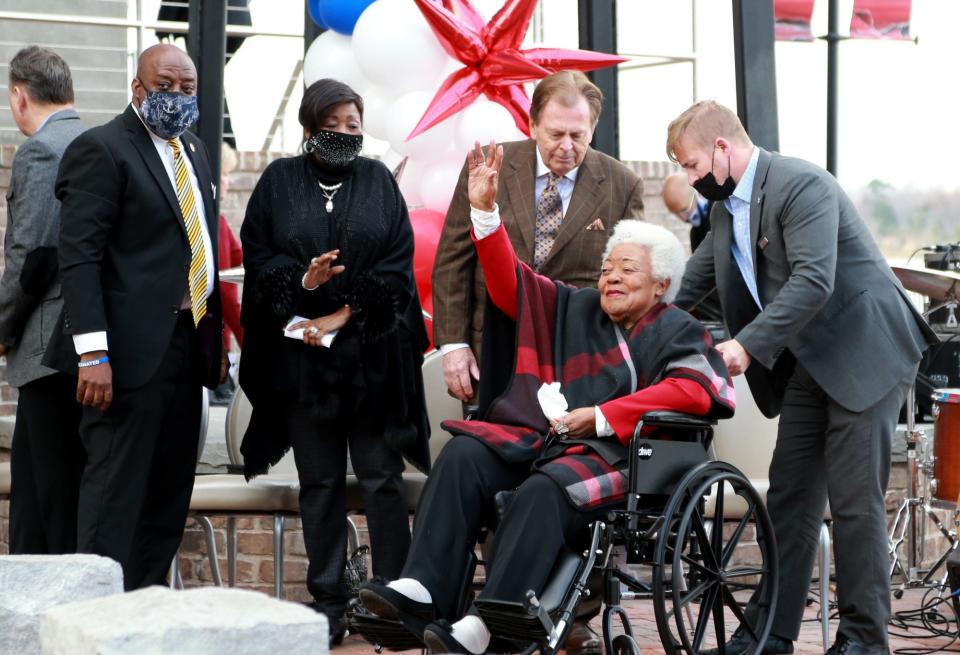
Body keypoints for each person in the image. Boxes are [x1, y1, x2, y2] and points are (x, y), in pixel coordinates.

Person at [358, 141, 735, 655]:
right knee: (466, 454)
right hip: (546, 444)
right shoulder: (577, 308)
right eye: (607, 269)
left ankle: (488, 622)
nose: (611, 278)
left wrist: (603, 417)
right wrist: (486, 213)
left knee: (545, 489)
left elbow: (695, 389)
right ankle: (422, 588)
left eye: (627, 270)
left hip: (625, 459)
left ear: (662, 284)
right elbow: (511, 284)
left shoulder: (681, 329)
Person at [667, 100, 938, 655]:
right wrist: (632, 325)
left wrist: (746, 346)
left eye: (692, 165)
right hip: (811, 362)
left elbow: (814, 281)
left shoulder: (800, 183)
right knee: (790, 495)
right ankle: (770, 634)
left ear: (722, 148)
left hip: (866, 351)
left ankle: (865, 639)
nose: (690, 180)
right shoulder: (722, 213)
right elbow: (684, 292)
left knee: (855, 500)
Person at [238, 78, 430, 645]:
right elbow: (258, 256)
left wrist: (342, 314)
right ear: (309, 126)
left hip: (369, 360)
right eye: (335, 124)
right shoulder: (277, 182)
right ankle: (328, 601)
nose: (347, 134)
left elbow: (398, 265)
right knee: (318, 483)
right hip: (301, 363)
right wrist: (303, 278)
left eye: (355, 125)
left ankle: (393, 597)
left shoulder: (378, 181)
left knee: (381, 478)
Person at [44, 43, 226, 590]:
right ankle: (94, 618)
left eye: (187, 88)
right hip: (121, 356)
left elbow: (198, 247)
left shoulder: (192, 149)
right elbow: (79, 258)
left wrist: (214, 346)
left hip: (184, 346)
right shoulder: (101, 149)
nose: (176, 97)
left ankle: (143, 612)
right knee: (114, 497)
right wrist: (92, 352)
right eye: (164, 85)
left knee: (167, 496)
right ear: (137, 88)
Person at [433, 70, 646, 411]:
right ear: (532, 125)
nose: (566, 146)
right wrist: (453, 344)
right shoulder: (487, 168)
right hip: (492, 348)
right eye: (555, 133)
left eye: (578, 135)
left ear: (592, 129)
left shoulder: (622, 185)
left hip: (577, 356)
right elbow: (453, 260)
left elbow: (632, 278)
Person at [1, 46, 85, 555]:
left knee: (42, 499)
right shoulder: (99, 142)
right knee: (54, 491)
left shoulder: (41, 151)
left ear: (18, 95)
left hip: (47, 351)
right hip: (92, 347)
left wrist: (2, 329)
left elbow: (29, 258)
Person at [218, 141, 243, 351]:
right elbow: (226, 292)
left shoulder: (221, 222)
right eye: (225, 174)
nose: (229, 182)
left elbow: (242, 260)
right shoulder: (216, 223)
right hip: (211, 341)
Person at [662, 172, 711, 252]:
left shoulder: (723, 213)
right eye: (677, 214)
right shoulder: (695, 234)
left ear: (698, 193)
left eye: (684, 210)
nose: (684, 218)